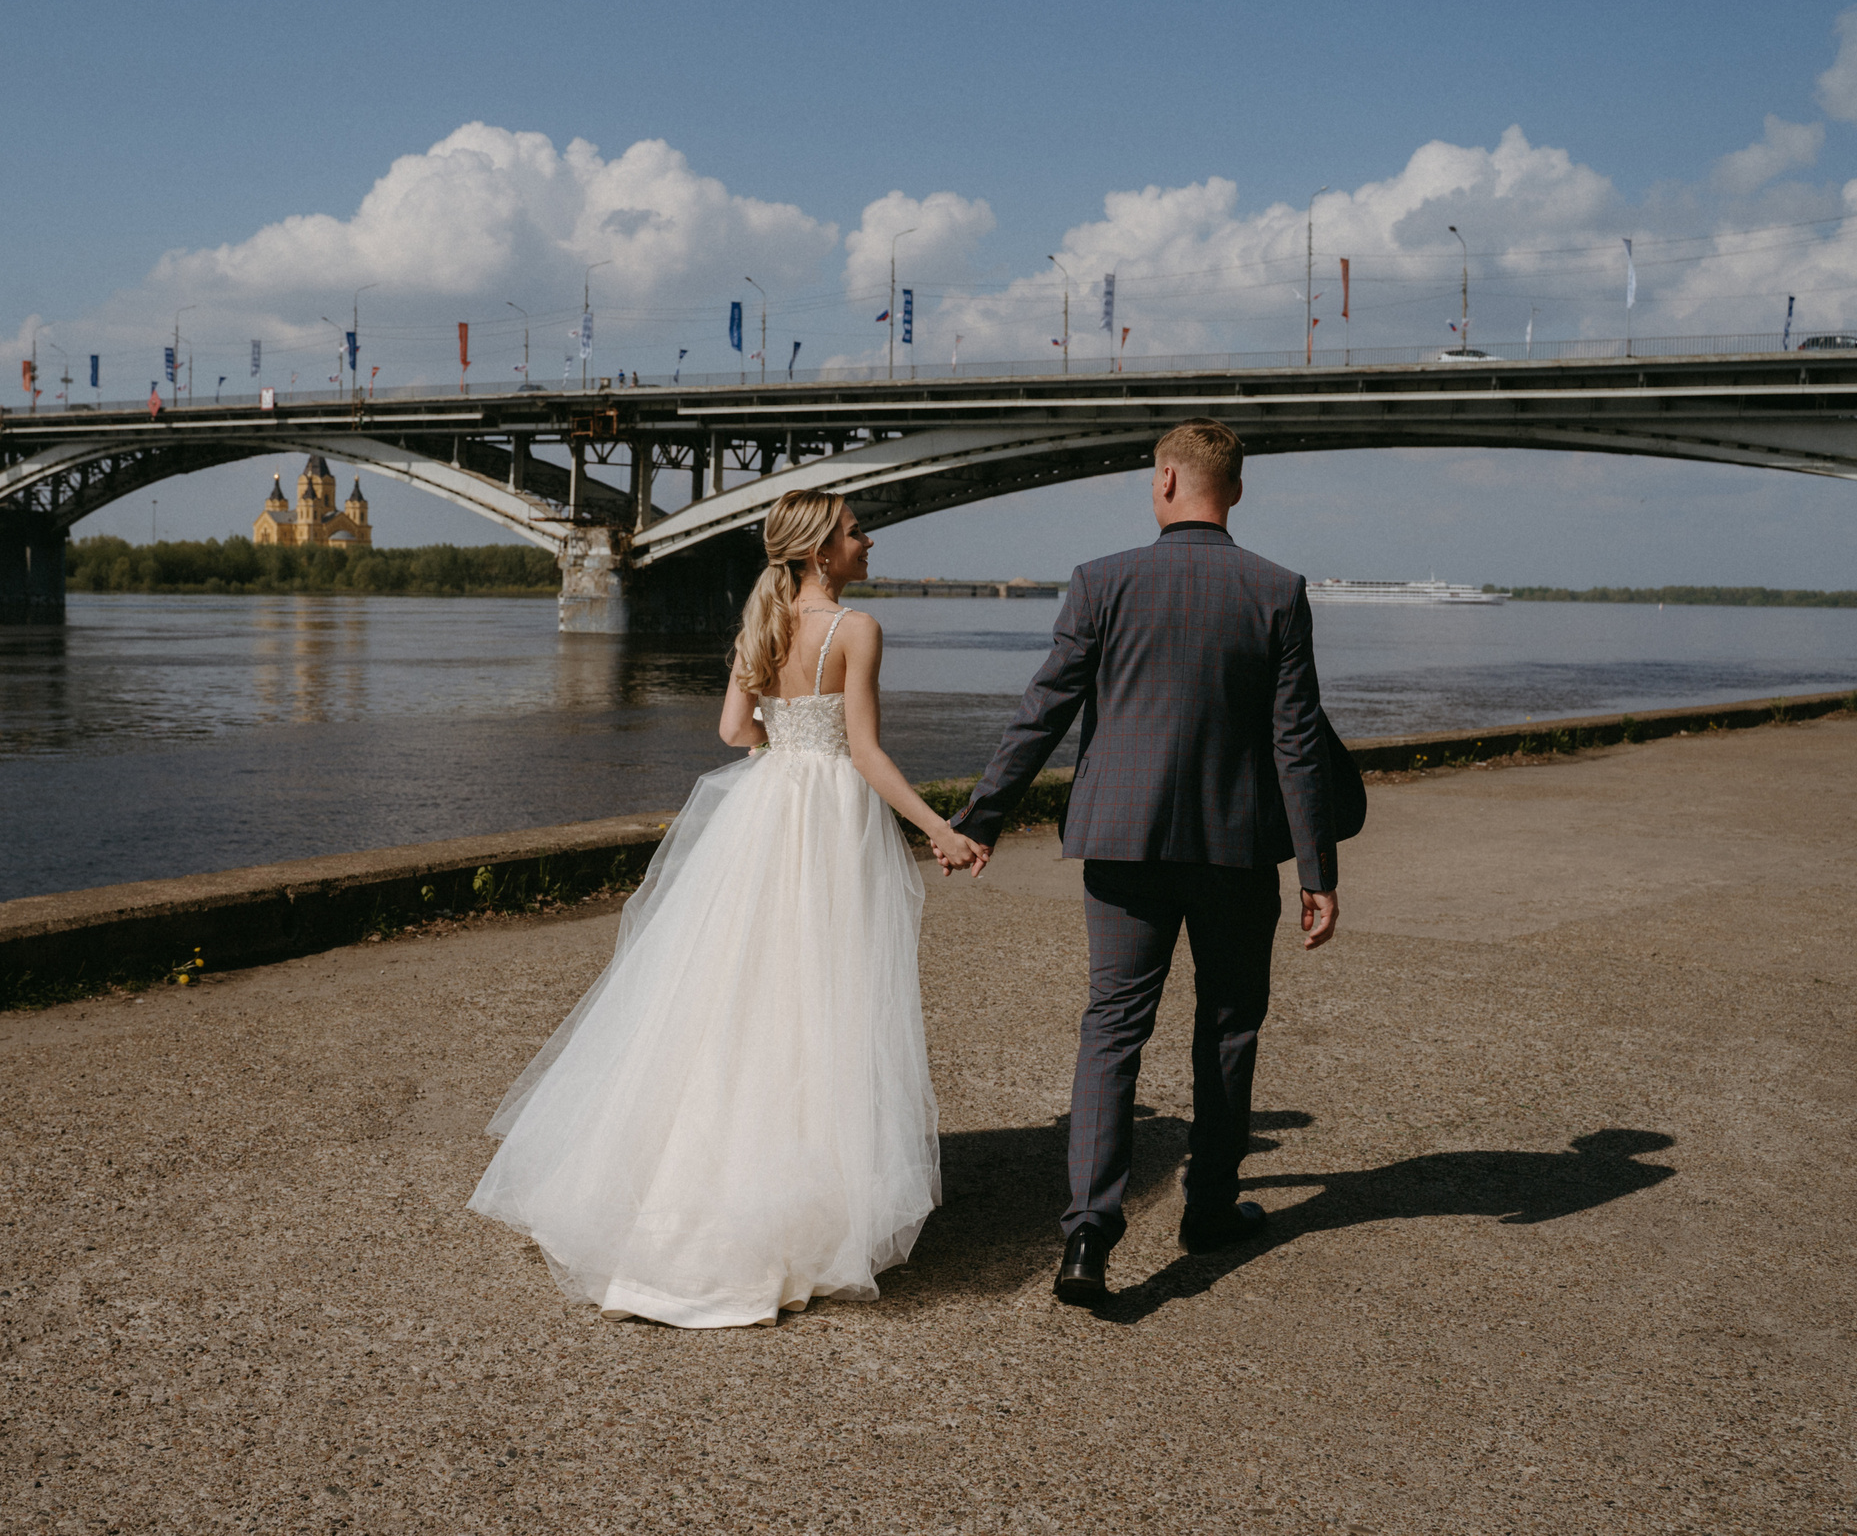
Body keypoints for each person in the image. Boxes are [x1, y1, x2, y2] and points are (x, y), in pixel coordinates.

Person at [470, 489, 987, 1328]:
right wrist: (938, 828)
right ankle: (800, 1193)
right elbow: (864, 751)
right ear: (820, 551)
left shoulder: (763, 624)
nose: (868, 540)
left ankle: (688, 1193)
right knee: (818, 998)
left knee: (736, 995)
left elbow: (733, 733)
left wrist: (789, 745)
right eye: (856, 531)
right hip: (827, 821)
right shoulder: (855, 630)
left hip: (767, 809)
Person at [943, 419, 1340, 1306]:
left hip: (1121, 838)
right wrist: (1318, 869)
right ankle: (1209, 1207)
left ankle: (1088, 1233)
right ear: (1235, 490)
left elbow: (1043, 710)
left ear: (1165, 481)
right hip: (1236, 846)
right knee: (1228, 1025)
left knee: (1113, 1027)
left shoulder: (1102, 580)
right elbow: (1297, 743)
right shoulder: (1278, 590)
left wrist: (983, 816)